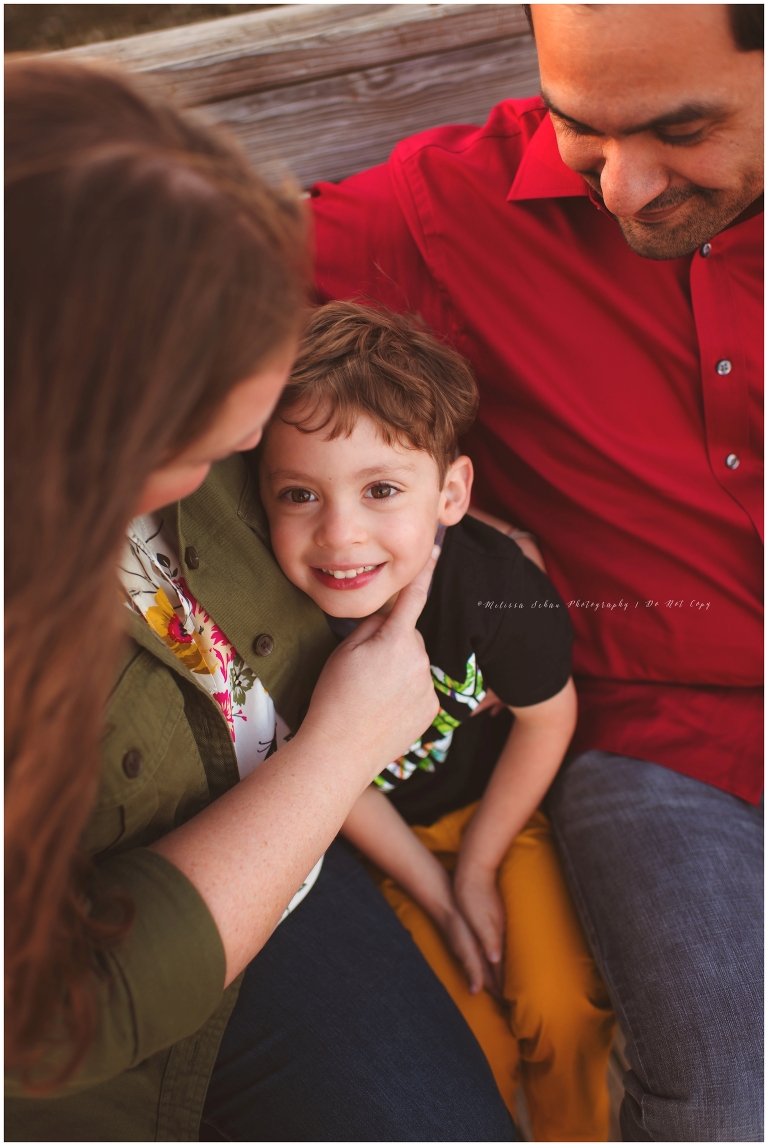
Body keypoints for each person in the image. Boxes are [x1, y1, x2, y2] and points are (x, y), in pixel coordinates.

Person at [5, 58, 515, 1142]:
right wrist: (341, 750)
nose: (254, 443)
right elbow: (47, 1025)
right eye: (213, 443)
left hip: (290, 873)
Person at [310, 4, 763, 1141]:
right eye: (581, 130)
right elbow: (143, 290)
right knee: (727, 1101)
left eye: (682, 129)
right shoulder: (440, 217)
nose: (623, 188)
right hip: (661, 745)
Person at [257, 299, 616, 1140]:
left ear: (451, 493)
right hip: (379, 849)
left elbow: (545, 722)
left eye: (382, 490)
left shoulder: (494, 590)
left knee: (564, 1011)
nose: (340, 536)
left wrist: (480, 867)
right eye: (299, 494)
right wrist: (440, 893)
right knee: (466, 1040)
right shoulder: (274, 624)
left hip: (502, 819)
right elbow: (327, 780)